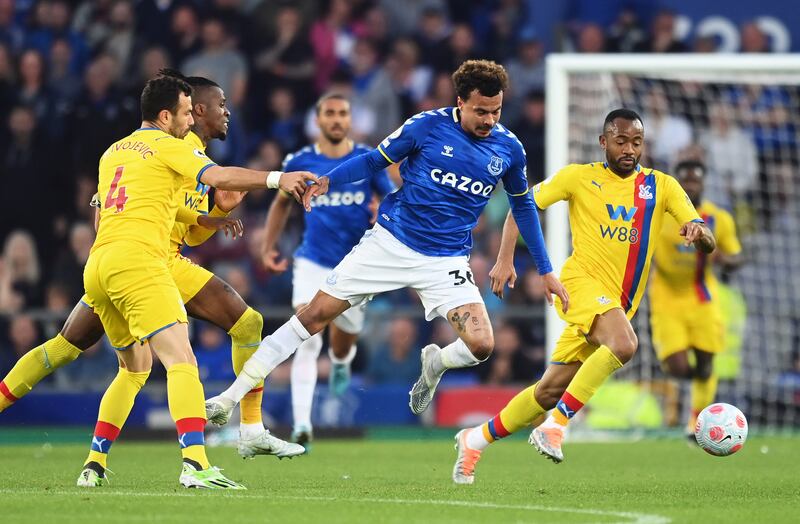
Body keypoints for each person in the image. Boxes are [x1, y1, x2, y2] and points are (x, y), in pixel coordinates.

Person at [206, 59, 568, 426]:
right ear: (460, 101)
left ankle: (435, 362)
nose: (489, 120)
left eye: (496, 111)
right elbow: (374, 161)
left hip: (446, 261)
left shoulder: (509, 149)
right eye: (481, 111)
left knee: (482, 346)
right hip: (390, 243)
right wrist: (331, 179)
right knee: (312, 317)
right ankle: (228, 398)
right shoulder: (427, 126)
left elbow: (523, 207)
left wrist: (546, 270)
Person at [3, 73, 315, 489]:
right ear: (172, 114)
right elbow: (218, 178)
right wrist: (279, 178)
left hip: (102, 263)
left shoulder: (114, 150)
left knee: (127, 364)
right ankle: (196, 464)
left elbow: (124, 209)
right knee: (181, 360)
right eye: (188, 112)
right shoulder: (174, 147)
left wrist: (207, 218)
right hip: (145, 263)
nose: (193, 119)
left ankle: (94, 464)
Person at [451, 108, 716, 484]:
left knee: (548, 389)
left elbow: (706, 236)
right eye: (621, 141)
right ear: (603, 142)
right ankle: (556, 426)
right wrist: (505, 258)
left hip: (616, 305)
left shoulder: (663, 186)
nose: (629, 149)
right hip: (579, 285)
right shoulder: (578, 177)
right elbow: (521, 204)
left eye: (636, 142)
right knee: (625, 344)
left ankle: (474, 438)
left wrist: (697, 232)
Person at [260, 92, 394, 448]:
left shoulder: (366, 160)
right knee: (306, 334)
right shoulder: (300, 160)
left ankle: (341, 360)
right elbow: (280, 205)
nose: (336, 119)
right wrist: (268, 246)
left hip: (355, 264)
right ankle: (302, 425)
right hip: (312, 260)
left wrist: (384, 214)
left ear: (350, 120)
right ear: (317, 120)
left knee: (343, 340)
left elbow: (392, 198)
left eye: (343, 113)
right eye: (330, 113)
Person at [650, 160, 742, 440]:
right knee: (677, 366)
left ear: (703, 184)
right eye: (685, 181)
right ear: (677, 185)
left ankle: (696, 423)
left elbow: (737, 255)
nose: (690, 186)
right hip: (666, 297)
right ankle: (696, 399)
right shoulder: (659, 215)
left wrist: (726, 259)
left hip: (702, 297)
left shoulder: (718, 219)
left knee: (706, 364)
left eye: (695, 181)